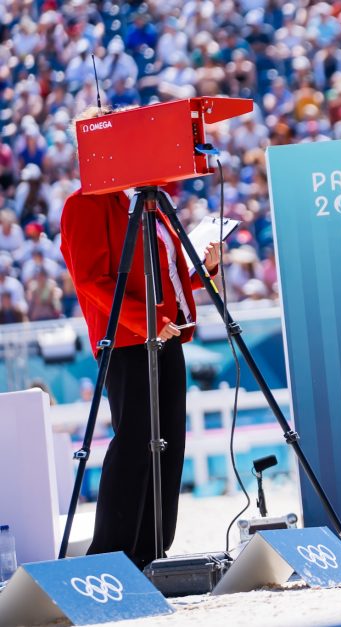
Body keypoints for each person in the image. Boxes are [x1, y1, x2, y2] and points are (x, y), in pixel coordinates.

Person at [59, 106, 222, 569]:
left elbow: (163, 275)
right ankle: (111, 553)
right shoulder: (83, 204)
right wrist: (144, 321)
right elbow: (91, 280)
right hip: (129, 342)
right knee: (134, 442)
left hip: (163, 336)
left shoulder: (140, 200)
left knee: (168, 442)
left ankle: (152, 549)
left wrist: (202, 271)